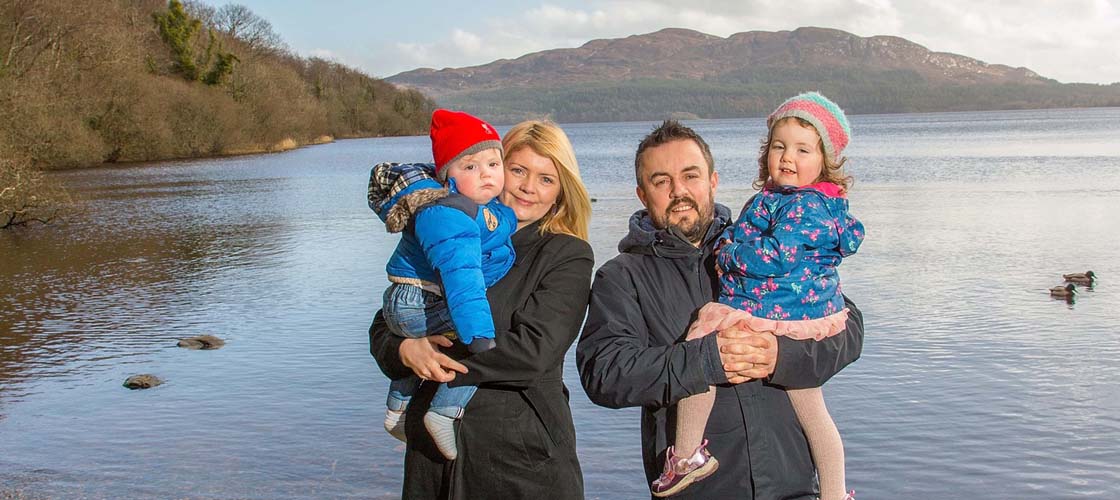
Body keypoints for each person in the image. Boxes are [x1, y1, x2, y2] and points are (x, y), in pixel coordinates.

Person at [577, 119, 864, 500]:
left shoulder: (759, 240)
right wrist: (704, 361)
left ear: (713, 180)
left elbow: (849, 328)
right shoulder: (622, 276)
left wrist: (783, 355)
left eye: (690, 175)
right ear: (642, 194)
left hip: (794, 486)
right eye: (661, 181)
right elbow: (604, 373)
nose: (679, 191)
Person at [369, 120, 593, 499]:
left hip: (520, 460)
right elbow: (387, 319)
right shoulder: (448, 223)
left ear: (561, 192)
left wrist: (436, 359)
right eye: (518, 170)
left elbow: (533, 351)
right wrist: (405, 350)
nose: (527, 188)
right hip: (432, 461)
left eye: (546, 179)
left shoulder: (567, 255)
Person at [657, 92, 864, 499]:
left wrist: (729, 251)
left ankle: (685, 456)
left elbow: (773, 255)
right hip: (799, 312)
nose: (788, 157)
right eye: (779, 146)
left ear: (825, 160)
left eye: (803, 149)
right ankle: (835, 494)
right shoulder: (788, 199)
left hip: (771, 308)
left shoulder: (804, 206)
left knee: (702, 345)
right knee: (812, 409)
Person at [368, 109, 516, 461]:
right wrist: (478, 335)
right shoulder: (450, 214)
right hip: (418, 301)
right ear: (447, 175)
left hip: (408, 299)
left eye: (494, 165)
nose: (486, 175)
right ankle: (444, 410)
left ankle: (397, 409)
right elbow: (462, 276)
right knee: (470, 336)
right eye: (470, 167)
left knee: (438, 338)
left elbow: (496, 224)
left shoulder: (468, 207)